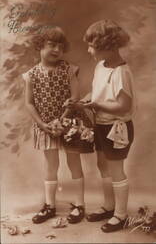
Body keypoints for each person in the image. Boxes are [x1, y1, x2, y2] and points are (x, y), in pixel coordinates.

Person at [78, 19, 136, 232]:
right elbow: (97, 93)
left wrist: (96, 104)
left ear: (108, 47)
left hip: (117, 128)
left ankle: (121, 215)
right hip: (101, 125)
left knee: (116, 169)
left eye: (92, 46)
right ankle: (110, 206)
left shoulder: (121, 72)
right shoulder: (100, 66)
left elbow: (123, 106)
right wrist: (86, 100)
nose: (88, 49)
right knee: (103, 165)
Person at [22, 26, 85, 224]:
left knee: (74, 163)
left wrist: (63, 118)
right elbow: (29, 103)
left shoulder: (69, 69)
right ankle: (49, 205)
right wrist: (42, 124)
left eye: (60, 46)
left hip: (70, 124)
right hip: (45, 127)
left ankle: (79, 204)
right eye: (51, 45)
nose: (56, 49)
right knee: (51, 165)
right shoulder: (31, 75)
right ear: (40, 46)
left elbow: (75, 97)